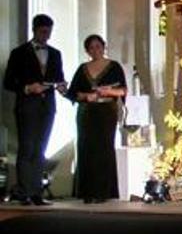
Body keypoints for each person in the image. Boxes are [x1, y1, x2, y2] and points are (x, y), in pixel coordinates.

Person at [3, 14, 66, 205]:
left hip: (48, 106)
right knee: (27, 147)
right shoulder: (19, 52)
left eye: (49, 32)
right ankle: (24, 192)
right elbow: (8, 82)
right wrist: (28, 88)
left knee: (41, 149)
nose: (46, 35)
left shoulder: (55, 53)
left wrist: (61, 86)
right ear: (34, 30)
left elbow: (58, 77)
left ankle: (37, 192)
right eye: (43, 31)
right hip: (27, 105)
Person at [65, 34, 127, 203]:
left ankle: (103, 192)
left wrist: (107, 92)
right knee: (86, 149)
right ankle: (87, 192)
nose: (95, 50)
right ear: (87, 50)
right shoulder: (83, 68)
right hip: (86, 112)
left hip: (106, 112)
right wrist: (86, 96)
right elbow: (72, 93)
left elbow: (123, 90)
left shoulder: (114, 66)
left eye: (98, 47)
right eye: (91, 48)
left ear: (103, 47)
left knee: (104, 148)